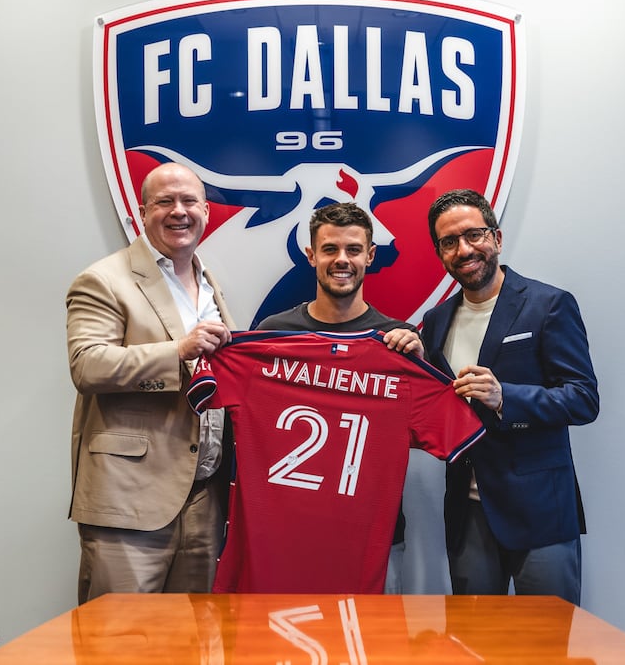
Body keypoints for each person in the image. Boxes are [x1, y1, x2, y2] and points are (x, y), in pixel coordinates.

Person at [255, 201, 446, 594]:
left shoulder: (399, 342)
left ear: (370, 256)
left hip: (374, 536)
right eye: (330, 249)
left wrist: (421, 367)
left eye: (353, 249)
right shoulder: (273, 334)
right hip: (289, 532)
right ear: (311, 255)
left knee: (372, 634)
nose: (342, 259)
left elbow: (435, 426)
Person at [420, 189, 599, 605]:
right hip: (467, 514)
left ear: (496, 238)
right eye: (449, 242)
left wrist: (505, 398)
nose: (464, 249)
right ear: (440, 253)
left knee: (549, 636)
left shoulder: (548, 304)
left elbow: (583, 398)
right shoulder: (435, 321)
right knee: (475, 637)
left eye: (474, 235)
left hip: (541, 512)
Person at [66, 162, 235, 601]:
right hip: (130, 500)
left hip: (204, 499)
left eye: (189, 201)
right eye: (165, 202)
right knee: (121, 635)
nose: (179, 211)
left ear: (206, 211)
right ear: (142, 213)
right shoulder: (104, 280)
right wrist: (177, 351)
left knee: (193, 634)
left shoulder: (208, 283)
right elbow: (87, 365)